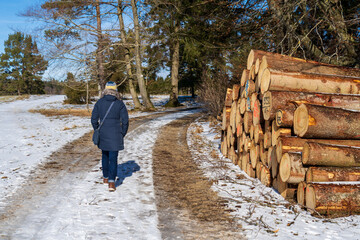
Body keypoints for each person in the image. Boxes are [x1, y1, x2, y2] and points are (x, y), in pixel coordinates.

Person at [91, 81, 129, 192]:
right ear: (115, 90)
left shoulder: (99, 102)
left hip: (103, 133)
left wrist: (97, 129)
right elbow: (125, 121)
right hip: (116, 134)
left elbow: (93, 119)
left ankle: (105, 178)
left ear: (106, 90)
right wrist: (122, 132)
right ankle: (112, 182)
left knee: (105, 155)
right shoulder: (120, 103)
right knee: (113, 158)